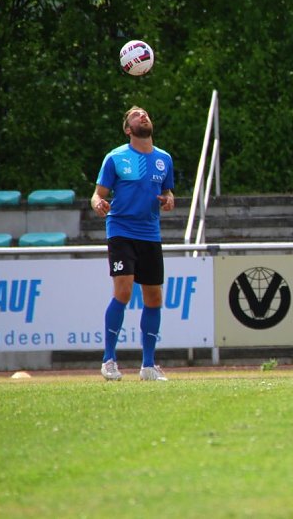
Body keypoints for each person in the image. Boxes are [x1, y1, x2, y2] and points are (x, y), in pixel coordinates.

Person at [91, 106, 175, 381]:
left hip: (150, 233)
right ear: (128, 129)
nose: (143, 115)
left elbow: (167, 192)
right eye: (136, 115)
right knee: (124, 290)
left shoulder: (164, 159)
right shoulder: (115, 157)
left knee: (154, 298)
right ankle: (109, 360)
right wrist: (98, 203)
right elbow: (98, 194)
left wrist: (169, 199)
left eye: (145, 113)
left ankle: (148, 366)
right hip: (121, 230)